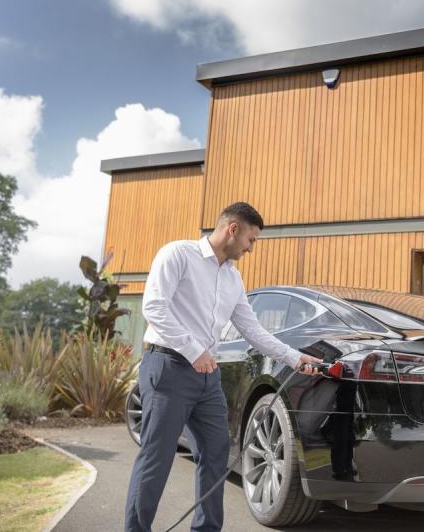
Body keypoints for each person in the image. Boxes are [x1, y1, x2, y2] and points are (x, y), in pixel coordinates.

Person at [124, 202, 321, 532]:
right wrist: (193, 350)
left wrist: (294, 357)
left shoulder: (233, 278)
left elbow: (253, 330)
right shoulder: (177, 254)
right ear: (233, 229)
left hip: (207, 378)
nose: (250, 248)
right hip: (169, 367)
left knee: (216, 453)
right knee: (157, 458)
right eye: (251, 240)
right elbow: (154, 308)